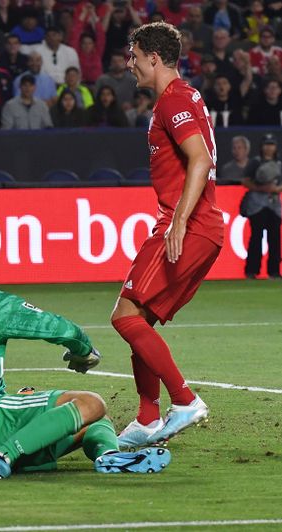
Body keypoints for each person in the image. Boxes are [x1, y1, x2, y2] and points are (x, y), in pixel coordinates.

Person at [0, 223, 172, 477]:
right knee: (92, 404)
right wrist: (83, 350)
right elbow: (60, 329)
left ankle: (109, 456)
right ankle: (1, 456)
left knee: (95, 421)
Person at [114, 22, 224, 449]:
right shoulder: (185, 96)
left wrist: (178, 221)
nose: (130, 65)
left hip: (188, 226)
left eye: (135, 56)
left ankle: (183, 400)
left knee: (124, 316)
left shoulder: (173, 101)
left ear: (154, 58)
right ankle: (146, 417)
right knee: (137, 318)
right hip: (196, 225)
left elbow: (199, 159)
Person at [240, 134, 281, 279]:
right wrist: (261, 188)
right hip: (257, 205)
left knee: (275, 239)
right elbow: (245, 181)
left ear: (275, 147)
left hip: (274, 205)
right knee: (256, 238)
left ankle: (274, 272)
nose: (268, 148)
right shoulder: (255, 163)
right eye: (266, 144)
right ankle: (251, 271)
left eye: (271, 144)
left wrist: (277, 189)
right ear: (261, 147)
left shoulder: (279, 163)